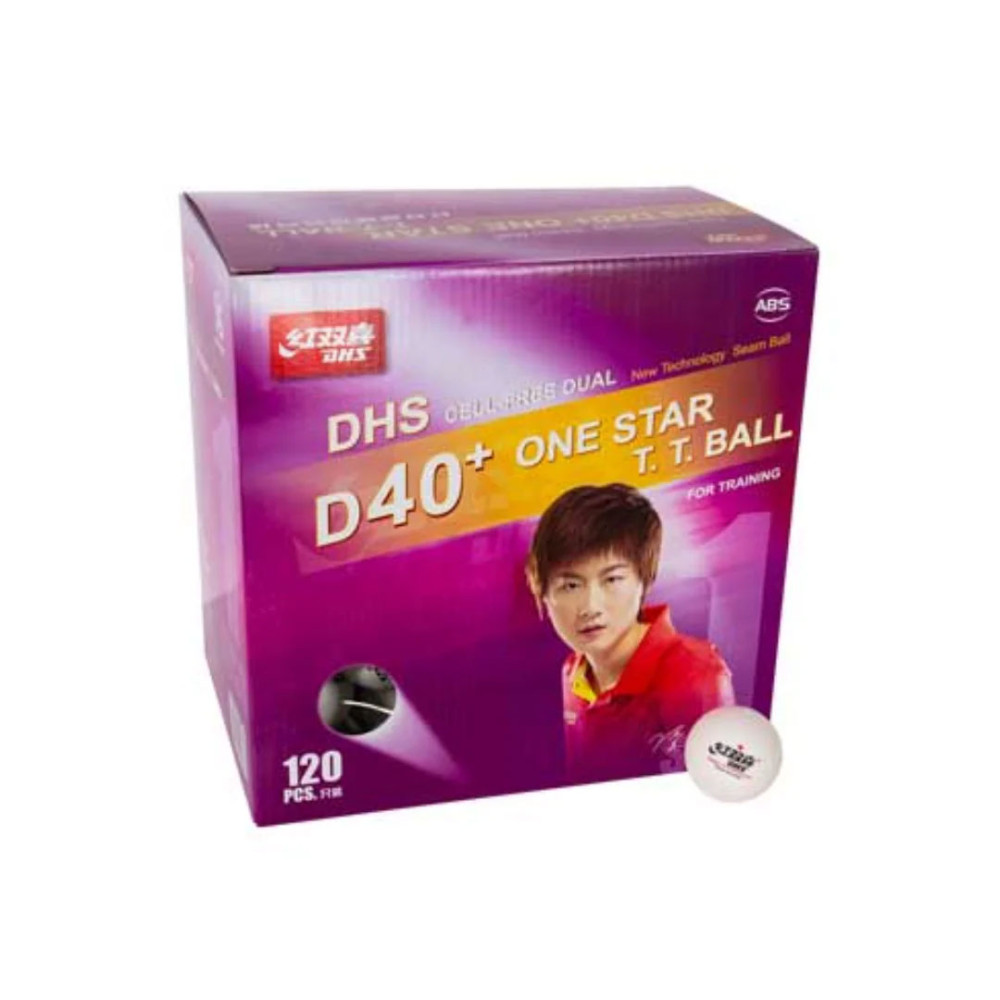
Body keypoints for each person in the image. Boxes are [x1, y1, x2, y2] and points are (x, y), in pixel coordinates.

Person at [525, 483, 734, 781]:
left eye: (612, 579)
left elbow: (717, 788)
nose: (590, 607)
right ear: (543, 592)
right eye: (570, 585)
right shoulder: (572, 671)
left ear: (644, 580)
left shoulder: (694, 673)